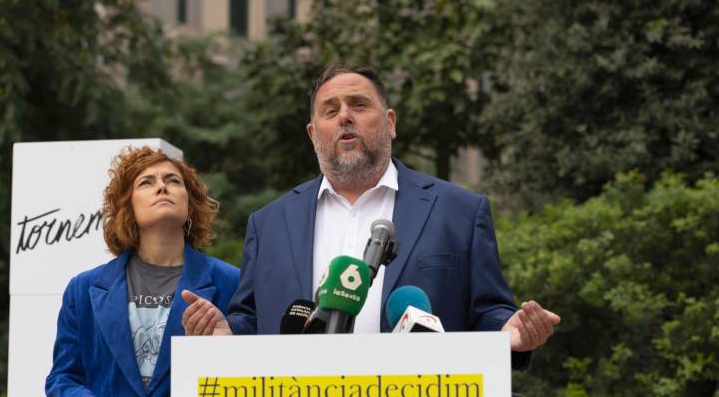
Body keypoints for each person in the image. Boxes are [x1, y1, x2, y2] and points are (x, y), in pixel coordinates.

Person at [196, 65, 560, 369]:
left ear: (390, 123)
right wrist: (225, 334)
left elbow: (489, 313)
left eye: (358, 104)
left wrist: (509, 334)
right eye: (330, 109)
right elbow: (252, 320)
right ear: (312, 134)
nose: (345, 117)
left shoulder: (459, 212)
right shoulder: (269, 222)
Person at [45, 146, 239, 396]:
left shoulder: (231, 282)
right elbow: (63, 378)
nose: (162, 187)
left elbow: (251, 375)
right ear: (128, 206)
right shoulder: (82, 289)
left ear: (189, 204)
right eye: (146, 182)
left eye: (173, 181)